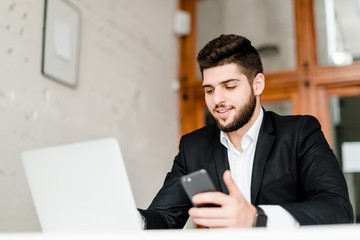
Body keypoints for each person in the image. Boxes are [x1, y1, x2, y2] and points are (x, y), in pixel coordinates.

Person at [138, 34, 354, 229]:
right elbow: (164, 217)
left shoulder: (299, 133)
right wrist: (133, 218)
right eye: (209, 90)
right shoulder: (193, 147)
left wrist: (255, 217)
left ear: (257, 84)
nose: (217, 100)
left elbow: (338, 209)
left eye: (229, 86)